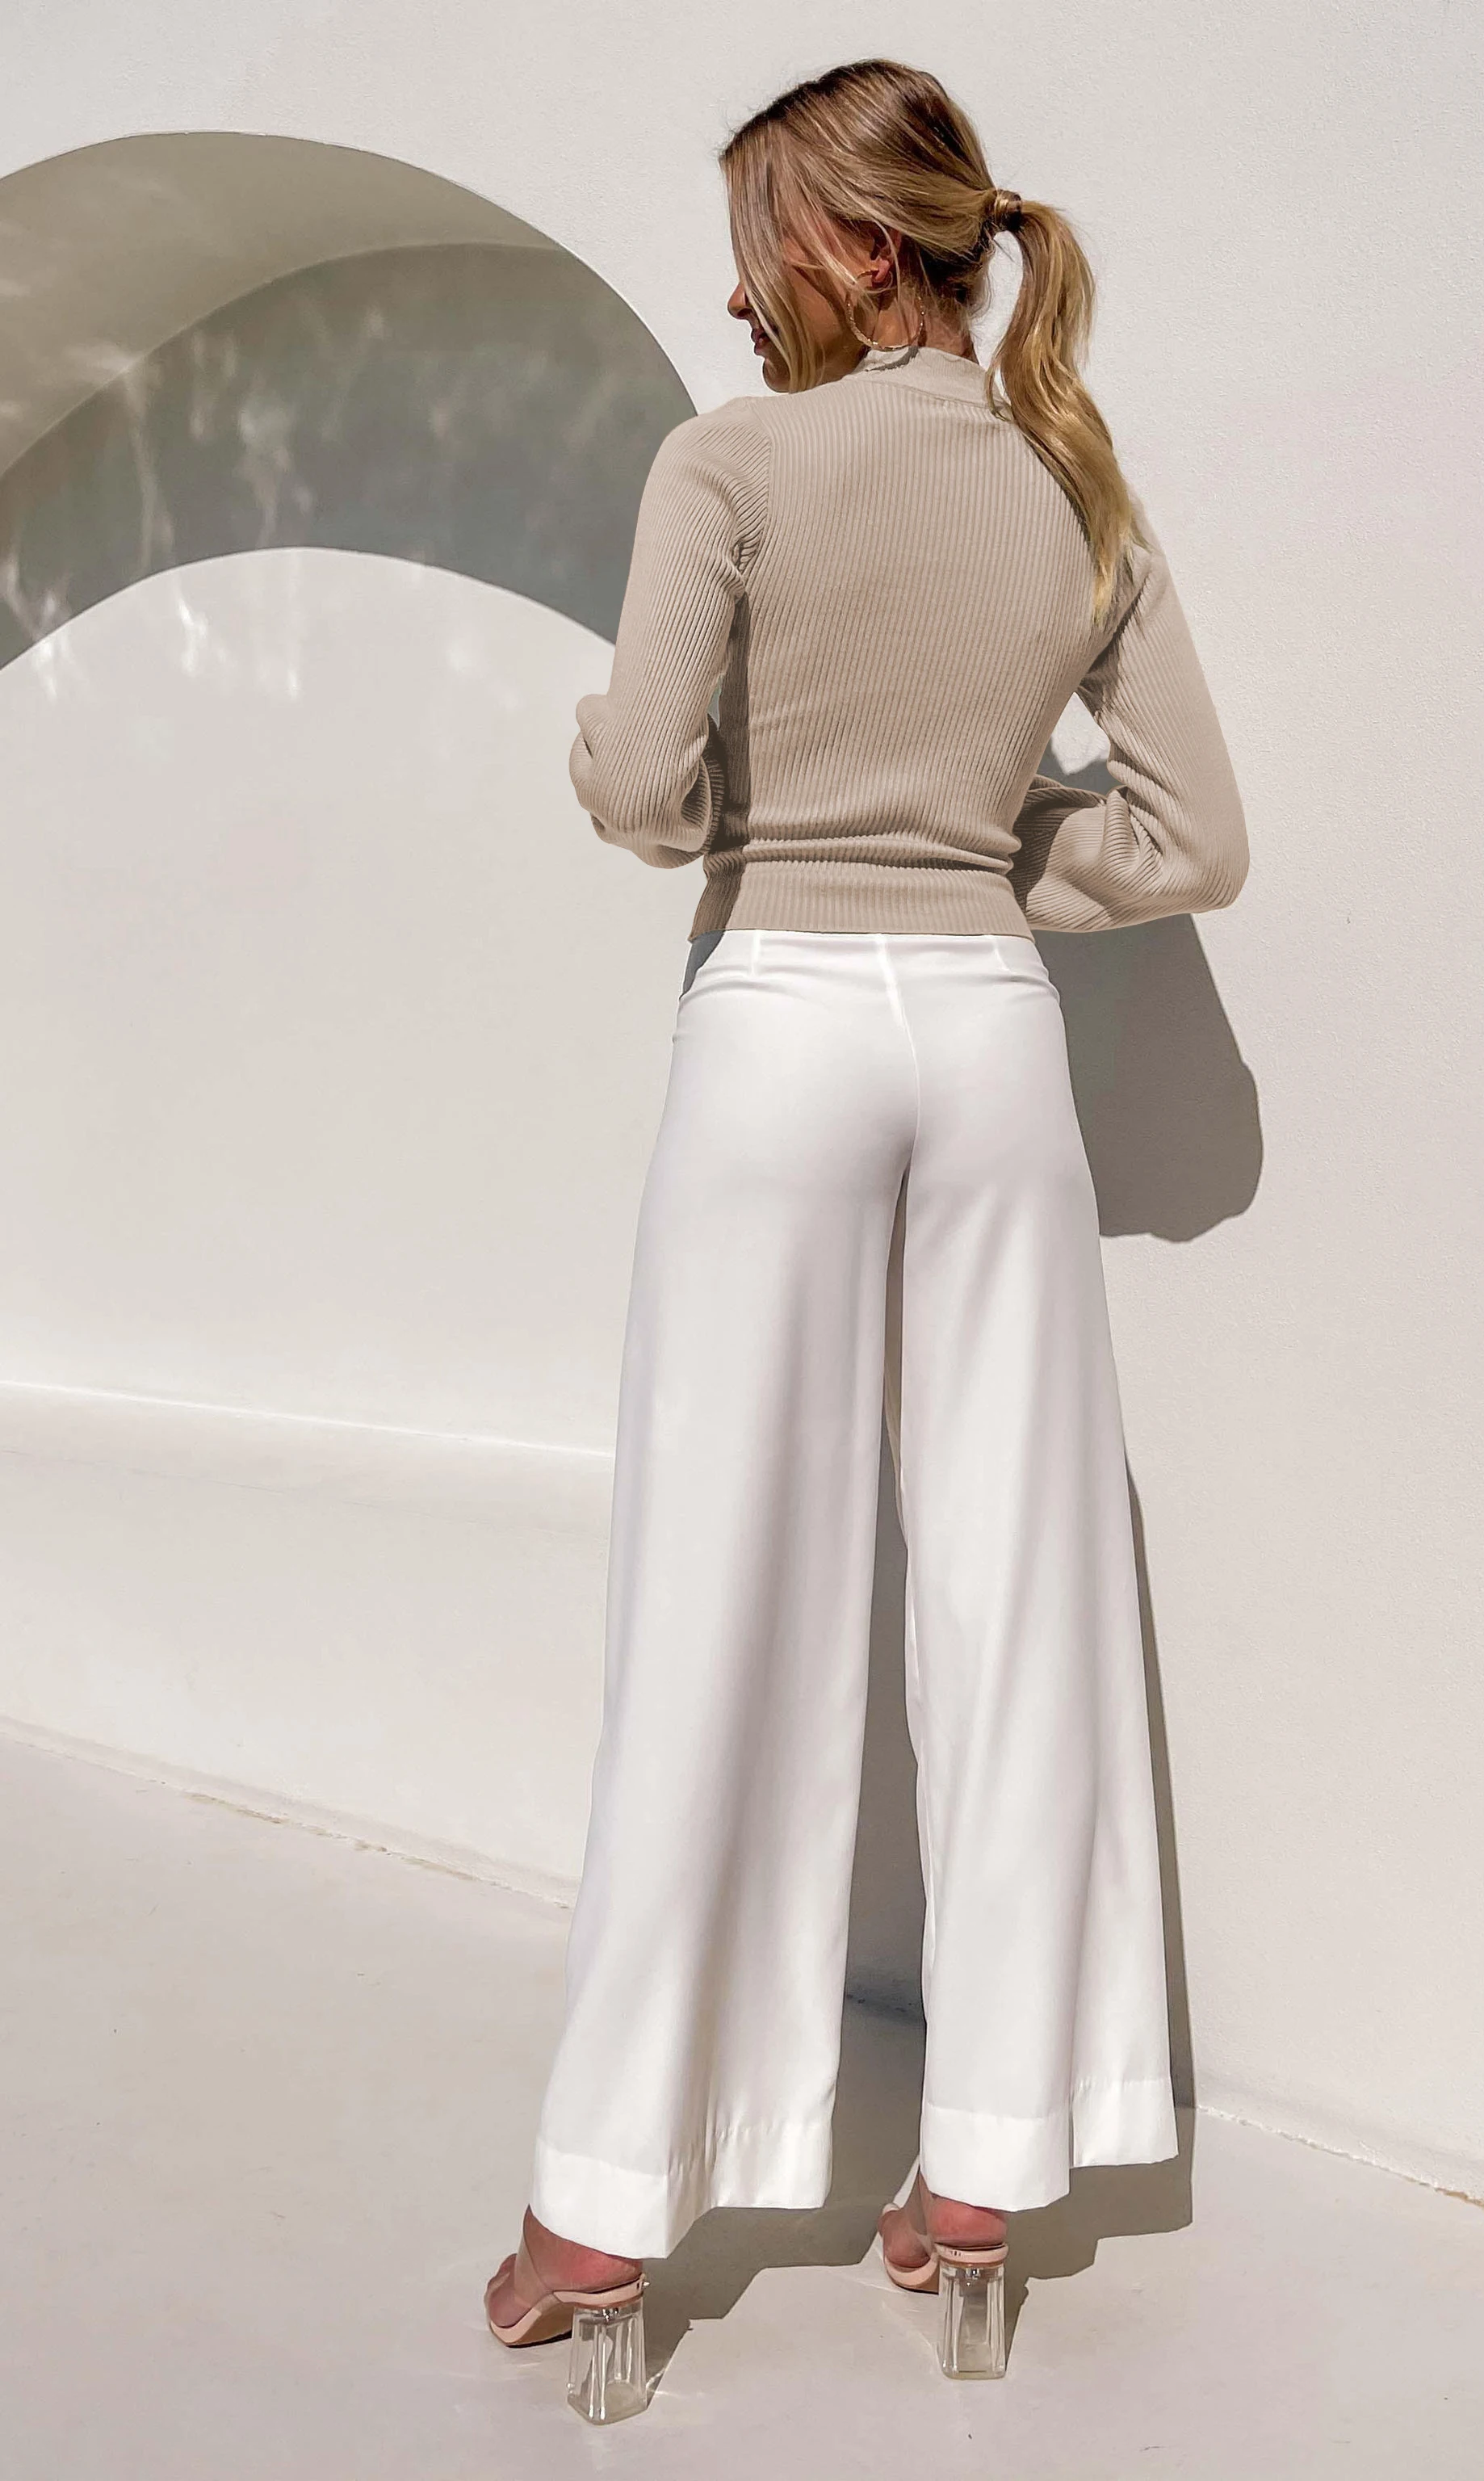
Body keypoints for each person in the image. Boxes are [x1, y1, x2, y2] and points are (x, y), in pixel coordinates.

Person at [484, 54, 1247, 2385]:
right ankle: (996, 2158)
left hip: (787, 1030)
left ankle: (609, 2211)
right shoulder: (1074, 480)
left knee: (717, 1584)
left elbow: (643, 790)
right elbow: (1195, 840)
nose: (733, 298)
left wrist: (631, 762)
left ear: (844, 241)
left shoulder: (728, 467)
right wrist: (988, 859)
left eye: (751, 246)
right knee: (1024, 1576)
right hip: (992, 1040)